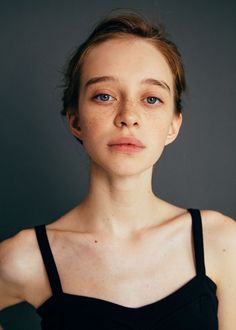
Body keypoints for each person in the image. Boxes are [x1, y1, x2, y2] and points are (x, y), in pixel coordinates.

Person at [0, 10, 235, 330]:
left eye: (151, 98)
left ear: (173, 125)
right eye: (104, 96)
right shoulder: (28, 256)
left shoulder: (221, 241)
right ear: (75, 119)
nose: (128, 116)